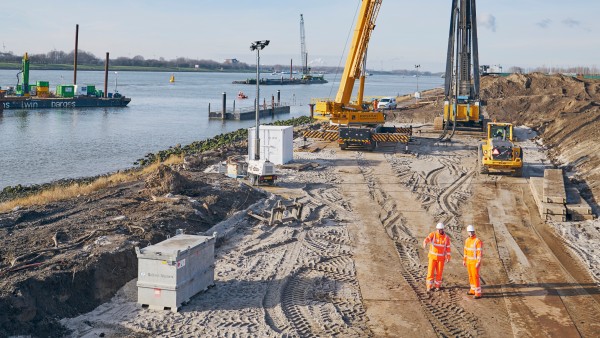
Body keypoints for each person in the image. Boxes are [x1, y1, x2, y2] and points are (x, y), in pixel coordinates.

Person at [423, 222, 451, 291]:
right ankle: (429, 286)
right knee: (430, 272)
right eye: (438, 229)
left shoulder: (446, 238)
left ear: (442, 230)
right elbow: (427, 239)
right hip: (432, 258)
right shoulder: (433, 234)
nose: (438, 231)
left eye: (440, 229)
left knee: (439, 273)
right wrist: (425, 242)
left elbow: (448, 248)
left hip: (441, 259)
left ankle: (437, 286)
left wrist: (448, 257)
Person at [463, 224, 483, 299]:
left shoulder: (477, 241)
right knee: (471, 276)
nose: (471, 233)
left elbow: (479, 253)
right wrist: (464, 260)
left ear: (474, 232)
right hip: (469, 262)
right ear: (468, 232)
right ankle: (472, 290)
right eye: (469, 232)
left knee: (475, 277)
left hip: (474, 263)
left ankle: (478, 293)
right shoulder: (467, 240)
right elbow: (465, 251)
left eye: (472, 232)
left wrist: (478, 262)